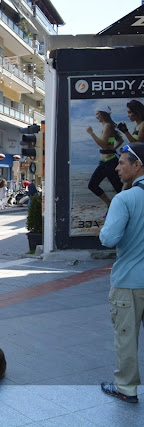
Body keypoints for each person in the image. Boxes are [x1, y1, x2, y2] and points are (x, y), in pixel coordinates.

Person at [99, 142, 144, 404]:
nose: (117, 167)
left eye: (122, 162)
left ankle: (126, 387)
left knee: (126, 338)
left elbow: (108, 238)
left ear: (137, 165)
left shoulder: (124, 199)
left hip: (129, 282)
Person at [87, 107, 124, 210]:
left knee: (119, 188)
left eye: (97, 114)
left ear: (103, 114)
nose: (96, 116)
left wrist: (91, 133)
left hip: (110, 163)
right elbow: (120, 140)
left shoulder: (107, 126)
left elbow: (103, 144)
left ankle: (123, 207)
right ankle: (110, 204)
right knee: (92, 185)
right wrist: (112, 149)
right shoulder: (108, 126)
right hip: (105, 162)